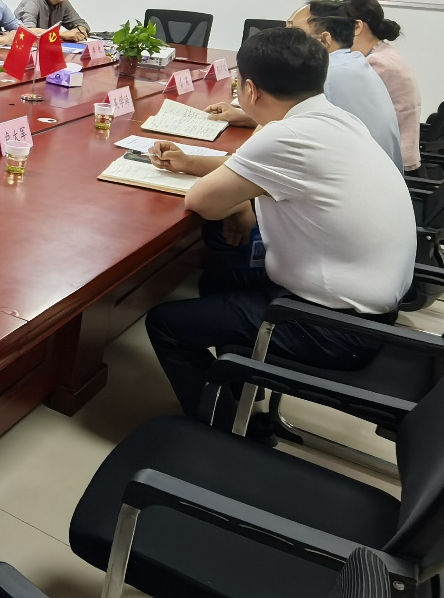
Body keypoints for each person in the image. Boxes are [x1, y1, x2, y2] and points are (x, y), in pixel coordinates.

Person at [145, 27, 414, 425]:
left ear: (250, 90)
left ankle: (223, 429)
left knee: (165, 324)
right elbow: (259, 170)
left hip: (332, 328)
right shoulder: (336, 119)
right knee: (219, 278)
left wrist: (237, 196)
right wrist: (188, 162)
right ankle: (241, 383)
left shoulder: (286, 135)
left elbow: (203, 202)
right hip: (368, 309)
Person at [203, 2, 401, 168]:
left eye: (294, 32)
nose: (285, 38)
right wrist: (247, 118)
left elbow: (251, 159)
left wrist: (189, 162)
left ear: (324, 40)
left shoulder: (325, 75)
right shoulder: (353, 62)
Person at [345, 0, 422, 173]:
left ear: (357, 26)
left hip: (392, 161)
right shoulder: (384, 52)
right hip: (395, 153)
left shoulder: (377, 63)